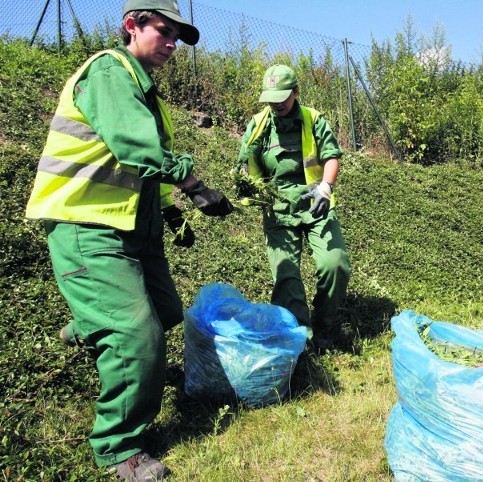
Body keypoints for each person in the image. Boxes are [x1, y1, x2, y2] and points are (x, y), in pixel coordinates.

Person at [25, 0, 233, 479]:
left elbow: (140, 170)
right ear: (132, 25)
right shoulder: (109, 72)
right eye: (164, 31)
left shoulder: (145, 92)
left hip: (136, 228)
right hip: (88, 227)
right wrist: (196, 187)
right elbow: (139, 149)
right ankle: (119, 447)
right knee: (138, 338)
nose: (172, 44)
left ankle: (89, 324)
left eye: (177, 36)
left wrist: (172, 211)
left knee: (164, 313)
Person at [235, 64, 351, 354]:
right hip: (278, 209)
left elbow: (331, 156)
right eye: (272, 99)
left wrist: (326, 186)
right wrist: (247, 184)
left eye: (283, 98)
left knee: (334, 264)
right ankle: (301, 338)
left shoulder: (313, 119)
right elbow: (243, 163)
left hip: (316, 204)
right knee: (287, 277)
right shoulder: (259, 124)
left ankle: (324, 328)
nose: (277, 104)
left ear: (296, 92)